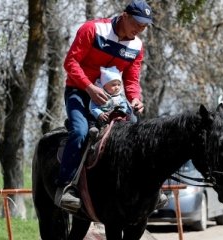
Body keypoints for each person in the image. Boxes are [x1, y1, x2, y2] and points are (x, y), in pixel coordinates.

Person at [56, 0, 156, 211]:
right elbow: (70, 63)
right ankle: (65, 187)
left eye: (144, 26)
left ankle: (143, 186)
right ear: (124, 15)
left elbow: (131, 79)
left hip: (111, 100)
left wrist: (135, 98)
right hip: (80, 93)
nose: (139, 29)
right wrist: (90, 87)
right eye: (137, 23)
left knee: (138, 132)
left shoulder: (137, 46)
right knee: (81, 131)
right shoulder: (93, 29)